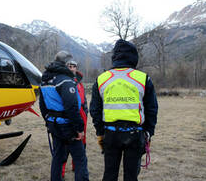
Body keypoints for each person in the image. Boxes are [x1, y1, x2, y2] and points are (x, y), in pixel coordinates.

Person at [90, 39, 158, 181]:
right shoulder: (143, 78)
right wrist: (149, 132)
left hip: (110, 134)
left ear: (114, 57)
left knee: (109, 174)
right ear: (134, 56)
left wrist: (100, 132)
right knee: (131, 176)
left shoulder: (101, 79)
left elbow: (95, 110)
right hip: (135, 134)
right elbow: (152, 109)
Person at [39, 51, 89, 181]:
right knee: (80, 159)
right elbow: (72, 107)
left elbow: (43, 106)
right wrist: (79, 129)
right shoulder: (65, 80)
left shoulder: (45, 80)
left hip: (54, 124)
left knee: (57, 157)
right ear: (66, 63)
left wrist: (48, 122)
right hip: (68, 126)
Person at [62, 60, 88, 179]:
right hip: (68, 114)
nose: (72, 68)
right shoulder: (63, 81)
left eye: (74, 66)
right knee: (66, 145)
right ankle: (61, 172)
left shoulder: (79, 83)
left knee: (81, 142)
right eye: (69, 66)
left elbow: (84, 100)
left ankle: (76, 167)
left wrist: (86, 112)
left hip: (81, 115)